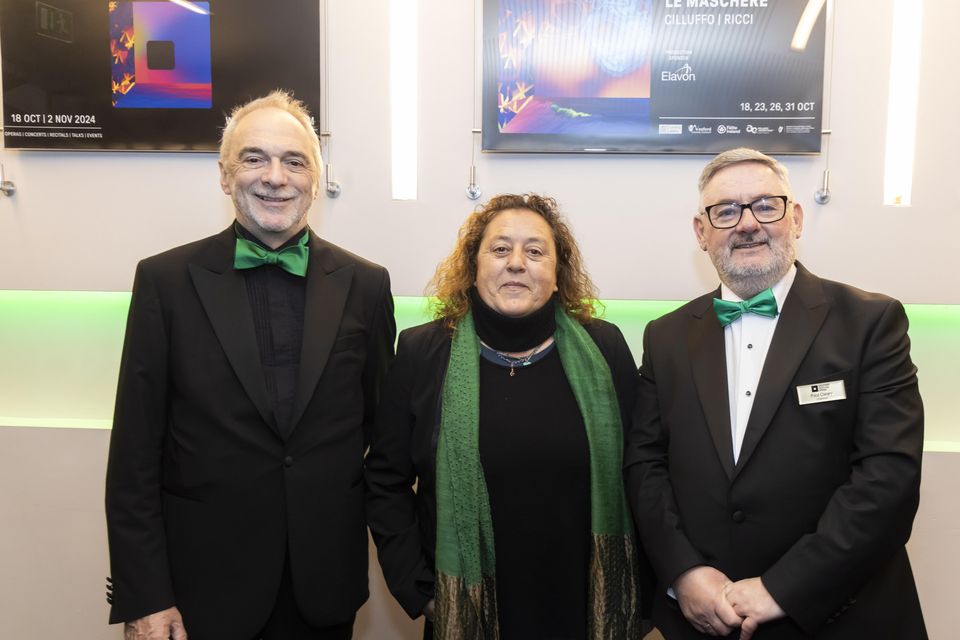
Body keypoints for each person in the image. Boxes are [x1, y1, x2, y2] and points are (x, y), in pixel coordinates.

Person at [104, 91, 396, 640]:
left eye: (294, 161)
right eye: (253, 158)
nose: (274, 177)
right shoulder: (165, 283)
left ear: (315, 177)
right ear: (224, 175)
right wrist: (145, 594)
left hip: (323, 588)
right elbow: (134, 457)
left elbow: (384, 446)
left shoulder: (366, 285)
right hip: (199, 592)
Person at [625, 147, 926, 639]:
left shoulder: (871, 322)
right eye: (725, 211)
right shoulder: (666, 336)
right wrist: (684, 573)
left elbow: (888, 478)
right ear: (702, 233)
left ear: (797, 218)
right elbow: (645, 466)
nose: (747, 223)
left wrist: (783, 587)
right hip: (705, 619)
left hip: (843, 616)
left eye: (766, 205)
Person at [365, 194, 645, 639]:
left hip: (583, 609)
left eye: (535, 251)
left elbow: (643, 471)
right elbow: (384, 479)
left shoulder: (605, 349)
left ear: (557, 275)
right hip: (466, 607)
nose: (516, 263)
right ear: (474, 268)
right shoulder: (422, 353)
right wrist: (420, 591)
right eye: (500, 249)